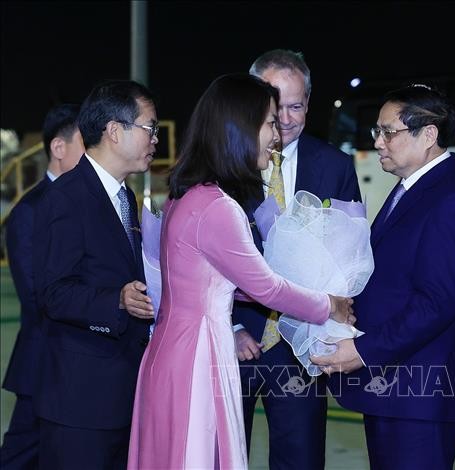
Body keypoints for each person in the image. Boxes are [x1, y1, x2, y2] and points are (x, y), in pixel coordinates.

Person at [127, 73, 354, 470]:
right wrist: (329, 305)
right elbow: (265, 287)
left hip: (174, 349)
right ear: (242, 129)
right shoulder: (218, 206)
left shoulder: (188, 195)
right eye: (268, 122)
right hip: (199, 354)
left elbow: (229, 283)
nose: (276, 133)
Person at [312, 84, 455, 469]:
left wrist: (362, 350)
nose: (378, 142)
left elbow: (437, 303)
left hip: (421, 395)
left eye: (388, 132)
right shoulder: (412, 190)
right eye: (377, 131)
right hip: (397, 387)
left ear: (429, 134)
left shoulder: (452, 201)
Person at [233, 49, 361, 469]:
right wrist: (229, 324)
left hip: (300, 345)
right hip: (234, 340)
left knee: (301, 458)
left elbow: (349, 256)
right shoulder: (224, 164)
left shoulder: (334, 166)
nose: (286, 119)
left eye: (296, 105)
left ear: (309, 102)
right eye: (275, 107)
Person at [32, 80, 157, 469]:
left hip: (123, 393)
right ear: (115, 131)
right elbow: (52, 293)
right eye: (149, 128)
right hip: (80, 403)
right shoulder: (65, 198)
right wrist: (116, 300)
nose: (156, 139)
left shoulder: (125, 197)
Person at [0, 104, 84, 469]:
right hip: (45, 366)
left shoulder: (81, 203)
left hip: (77, 364)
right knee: (21, 457)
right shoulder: (30, 212)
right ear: (58, 148)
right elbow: (37, 298)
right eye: (87, 143)